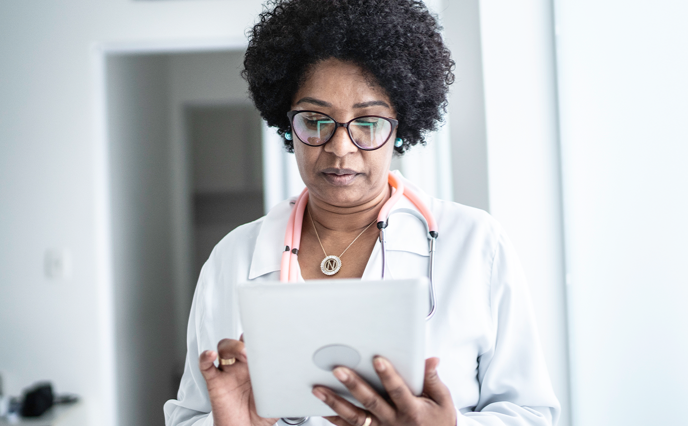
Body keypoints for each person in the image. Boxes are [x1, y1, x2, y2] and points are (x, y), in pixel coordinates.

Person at [164, 0, 561, 425]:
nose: (340, 148)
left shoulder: (476, 244)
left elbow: (532, 414)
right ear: (287, 123)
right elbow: (191, 415)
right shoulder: (235, 257)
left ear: (400, 126)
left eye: (368, 122)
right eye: (315, 120)